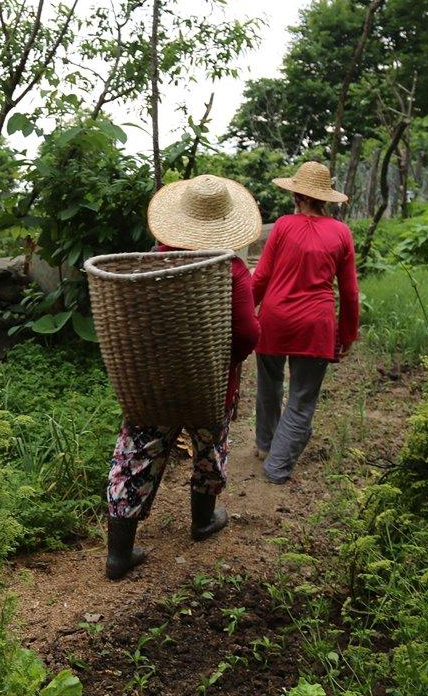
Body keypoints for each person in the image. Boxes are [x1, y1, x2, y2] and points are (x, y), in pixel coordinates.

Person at [104, 174, 261, 580]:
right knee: (210, 448)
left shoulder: (148, 263)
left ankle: (119, 553)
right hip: (209, 384)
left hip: (150, 383)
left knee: (136, 454)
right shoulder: (230, 270)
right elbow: (246, 334)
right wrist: (221, 363)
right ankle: (203, 521)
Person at [252, 161, 359, 485]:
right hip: (315, 325)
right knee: (302, 397)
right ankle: (277, 467)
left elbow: (262, 277)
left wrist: (244, 313)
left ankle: (265, 445)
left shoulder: (283, 226)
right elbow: (350, 292)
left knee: (269, 384)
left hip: (273, 319)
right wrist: (348, 333)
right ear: (325, 199)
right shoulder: (341, 232)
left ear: (297, 194)